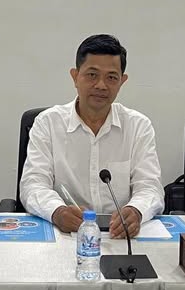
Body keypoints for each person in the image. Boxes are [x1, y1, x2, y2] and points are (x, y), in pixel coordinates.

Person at [19, 34, 163, 238]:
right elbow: (33, 184)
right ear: (75, 76)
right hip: (63, 233)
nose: (101, 85)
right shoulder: (48, 123)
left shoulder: (138, 126)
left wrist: (136, 211)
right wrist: (57, 211)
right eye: (92, 75)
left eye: (111, 77)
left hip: (119, 235)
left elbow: (150, 187)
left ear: (122, 81)